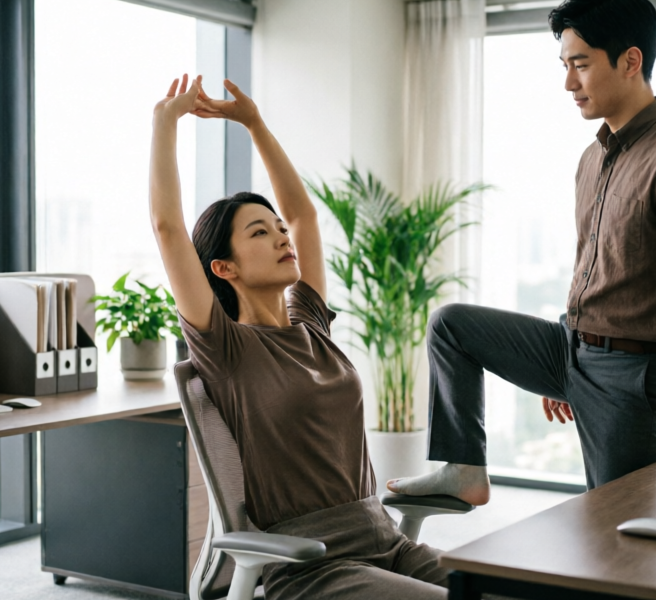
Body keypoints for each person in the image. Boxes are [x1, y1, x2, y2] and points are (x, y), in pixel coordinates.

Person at [388, 0, 656, 505]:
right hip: (570, 349)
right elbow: (596, 268)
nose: (569, 83)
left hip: (633, 377)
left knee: (615, 532)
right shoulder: (592, 157)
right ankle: (464, 469)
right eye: (565, 66)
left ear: (630, 60)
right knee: (451, 325)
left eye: (581, 64)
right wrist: (562, 353)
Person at [150, 73, 458, 600]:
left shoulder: (309, 325)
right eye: (260, 233)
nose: (281, 237)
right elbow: (167, 227)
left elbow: (304, 216)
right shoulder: (227, 349)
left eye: (278, 230)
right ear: (223, 268)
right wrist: (165, 123)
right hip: (314, 568)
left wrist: (253, 122)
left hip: (386, 542)